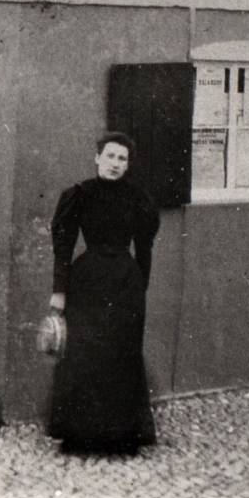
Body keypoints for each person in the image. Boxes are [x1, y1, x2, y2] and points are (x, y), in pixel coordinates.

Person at [48, 132, 160, 455]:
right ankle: (80, 434)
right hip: (87, 282)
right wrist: (59, 290)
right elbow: (63, 247)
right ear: (98, 158)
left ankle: (122, 436)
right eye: (110, 156)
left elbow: (145, 246)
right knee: (84, 352)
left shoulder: (137, 198)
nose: (115, 164)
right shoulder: (79, 194)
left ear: (128, 165)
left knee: (122, 353)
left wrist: (142, 284)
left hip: (125, 283)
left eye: (122, 159)